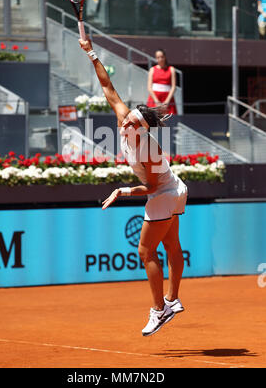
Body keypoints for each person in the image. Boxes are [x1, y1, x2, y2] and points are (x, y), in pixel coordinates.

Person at [79, 37, 187, 337]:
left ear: (140, 131)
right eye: (127, 118)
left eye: (130, 123)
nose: (124, 123)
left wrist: (122, 191)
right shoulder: (126, 119)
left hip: (165, 193)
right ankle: (173, 298)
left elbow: (152, 189)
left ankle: (159, 309)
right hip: (176, 188)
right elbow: (108, 88)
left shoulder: (148, 151)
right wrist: (91, 52)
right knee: (171, 246)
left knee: (145, 250)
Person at [147, 49, 177, 114]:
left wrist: (167, 102)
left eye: (162, 57)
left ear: (165, 57)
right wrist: (157, 101)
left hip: (168, 99)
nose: (160, 59)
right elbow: (149, 88)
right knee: (152, 120)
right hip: (154, 99)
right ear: (156, 58)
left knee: (170, 120)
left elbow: (173, 87)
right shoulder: (152, 70)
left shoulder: (171, 69)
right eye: (158, 57)